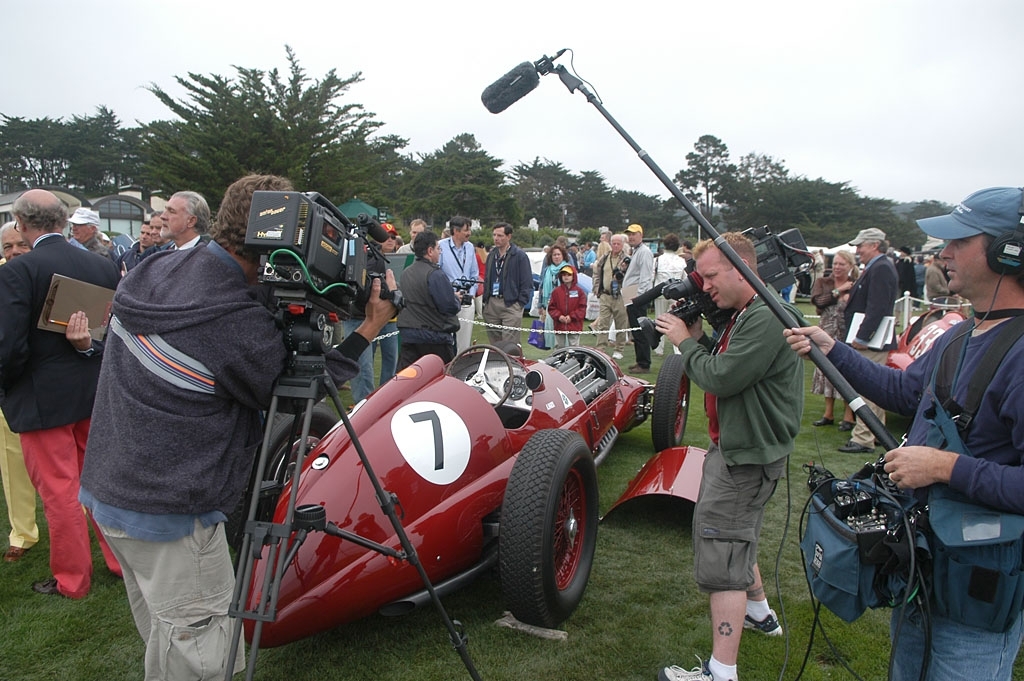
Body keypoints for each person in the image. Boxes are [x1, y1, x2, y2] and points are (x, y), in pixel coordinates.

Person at [78, 173, 398, 681]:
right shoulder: (231, 319)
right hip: (172, 513)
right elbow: (294, 394)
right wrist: (367, 329)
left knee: (168, 635)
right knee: (203, 654)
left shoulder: (158, 266)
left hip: (108, 491)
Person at [785, 186, 1024, 681]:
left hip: (979, 595)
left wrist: (943, 466)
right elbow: (906, 393)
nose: (944, 253)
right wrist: (832, 350)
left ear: (1007, 251)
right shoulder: (961, 332)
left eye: (960, 241)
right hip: (921, 572)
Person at [653, 232, 803, 681]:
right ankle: (759, 613)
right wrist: (701, 335)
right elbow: (727, 360)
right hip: (741, 452)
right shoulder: (748, 314)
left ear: (742, 269)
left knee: (721, 559)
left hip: (744, 459)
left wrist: (685, 341)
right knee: (737, 540)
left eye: (712, 275)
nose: (705, 286)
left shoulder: (765, 317)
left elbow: (722, 376)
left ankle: (722, 671)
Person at [0, 189, 122, 597]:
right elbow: (108, 334)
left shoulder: (18, 271)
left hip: (41, 396)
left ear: (21, 224)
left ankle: (72, 579)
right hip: (89, 388)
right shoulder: (101, 265)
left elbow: (10, 346)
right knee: (97, 482)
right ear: (64, 220)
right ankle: (119, 560)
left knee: (59, 491)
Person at [838, 227, 899, 454]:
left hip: (872, 341)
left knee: (867, 390)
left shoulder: (881, 268)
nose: (857, 250)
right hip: (873, 339)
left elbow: (878, 307)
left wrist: (863, 336)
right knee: (874, 389)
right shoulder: (878, 267)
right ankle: (876, 434)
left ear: (874, 245)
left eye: (860, 246)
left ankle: (863, 439)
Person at [0, 222, 39, 563]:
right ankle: (22, 533)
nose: (13, 252)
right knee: (12, 460)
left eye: (19, 245)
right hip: (8, 382)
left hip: (47, 380)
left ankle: (85, 517)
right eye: (7, 246)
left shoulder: (44, 271)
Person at [809, 249, 859, 430]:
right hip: (826, 330)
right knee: (824, 371)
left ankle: (848, 415)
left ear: (850, 266)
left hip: (846, 332)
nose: (837, 267)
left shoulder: (856, 284)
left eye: (841, 264)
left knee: (846, 372)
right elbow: (818, 301)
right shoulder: (824, 281)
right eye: (835, 263)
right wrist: (839, 291)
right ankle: (827, 413)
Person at [397, 230, 461, 368]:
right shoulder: (435, 274)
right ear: (430, 251)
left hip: (409, 334)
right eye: (438, 249)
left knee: (409, 380)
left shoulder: (406, 272)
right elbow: (448, 306)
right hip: (434, 337)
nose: (440, 252)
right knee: (442, 379)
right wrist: (456, 299)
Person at [482, 222, 532, 347]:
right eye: (494, 235)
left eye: (500, 235)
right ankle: (498, 366)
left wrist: (520, 303)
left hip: (511, 303)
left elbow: (527, 282)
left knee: (510, 345)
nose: (496, 238)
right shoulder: (492, 255)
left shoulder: (519, 256)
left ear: (509, 236)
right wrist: (486, 301)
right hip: (492, 303)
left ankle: (513, 365)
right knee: (495, 345)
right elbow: (487, 277)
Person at [437, 216, 479, 353]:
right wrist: (448, 293)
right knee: (446, 340)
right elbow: (437, 273)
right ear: (456, 231)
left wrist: (471, 294)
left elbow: (474, 273)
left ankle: (460, 371)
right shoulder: (441, 246)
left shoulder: (470, 247)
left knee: (464, 343)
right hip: (448, 299)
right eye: (466, 230)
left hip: (466, 299)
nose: (469, 233)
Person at [591, 233, 630, 359]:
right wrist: (597, 289)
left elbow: (632, 278)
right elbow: (597, 273)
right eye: (614, 243)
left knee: (621, 323)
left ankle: (619, 349)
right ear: (610, 244)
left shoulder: (627, 259)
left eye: (619, 243)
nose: (616, 246)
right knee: (603, 322)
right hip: (605, 294)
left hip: (620, 295)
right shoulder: (604, 258)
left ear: (623, 245)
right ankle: (601, 347)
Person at [623, 224, 655, 373]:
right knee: (635, 330)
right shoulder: (637, 251)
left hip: (637, 295)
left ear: (640, 235)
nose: (631, 237)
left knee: (639, 329)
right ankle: (640, 361)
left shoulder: (644, 252)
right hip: (631, 294)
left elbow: (646, 276)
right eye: (629, 235)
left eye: (633, 234)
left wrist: (640, 296)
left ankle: (644, 363)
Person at [653, 233, 688, 356]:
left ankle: (658, 348)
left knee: (659, 320)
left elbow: (652, 276)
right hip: (677, 294)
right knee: (676, 320)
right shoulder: (681, 261)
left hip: (660, 294)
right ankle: (677, 349)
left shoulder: (657, 260)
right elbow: (685, 278)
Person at [547, 263, 586, 348]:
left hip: (574, 325)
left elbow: (582, 308)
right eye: (564, 274)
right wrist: (559, 316)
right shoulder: (556, 292)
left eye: (569, 274)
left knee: (574, 348)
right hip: (559, 325)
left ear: (573, 276)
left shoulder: (580, 292)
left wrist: (571, 317)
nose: (566, 277)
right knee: (559, 348)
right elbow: (551, 308)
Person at [539, 244, 570, 349]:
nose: (556, 257)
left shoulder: (568, 269)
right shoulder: (547, 270)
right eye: (554, 255)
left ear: (563, 256)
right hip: (549, 304)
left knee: (563, 333)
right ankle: (554, 353)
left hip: (564, 305)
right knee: (551, 332)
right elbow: (541, 287)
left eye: (558, 254)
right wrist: (541, 305)